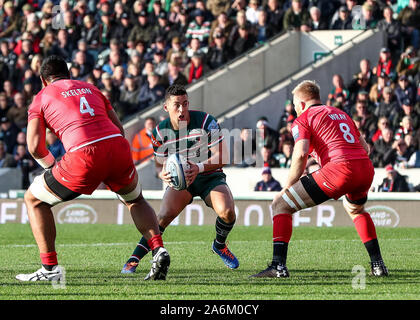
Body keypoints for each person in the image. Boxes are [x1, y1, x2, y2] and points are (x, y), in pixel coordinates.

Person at [15, 55, 170, 282]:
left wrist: (52, 168)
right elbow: (119, 129)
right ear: (69, 74)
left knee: (34, 200)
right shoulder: (90, 88)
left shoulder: (41, 97)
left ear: (43, 80)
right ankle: (158, 249)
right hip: (117, 147)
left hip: (83, 155)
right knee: (135, 200)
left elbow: (34, 147)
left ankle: (50, 268)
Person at [251, 80, 388, 278]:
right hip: (365, 169)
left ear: (302, 103)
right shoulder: (341, 113)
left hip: (340, 170)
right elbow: (366, 148)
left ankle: (278, 266)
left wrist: (288, 187)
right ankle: (378, 265)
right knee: (355, 209)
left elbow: (300, 154)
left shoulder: (304, 118)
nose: (296, 109)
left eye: (296, 105)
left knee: (280, 204)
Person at [121, 84, 239, 273]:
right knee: (163, 216)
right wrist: (163, 174)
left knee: (227, 212)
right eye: (177, 105)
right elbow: (159, 165)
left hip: (209, 176)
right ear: (166, 107)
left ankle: (219, 245)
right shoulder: (159, 133)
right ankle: (134, 259)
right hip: (182, 181)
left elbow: (224, 157)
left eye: (185, 104)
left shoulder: (206, 121)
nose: (182, 109)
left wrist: (198, 167)